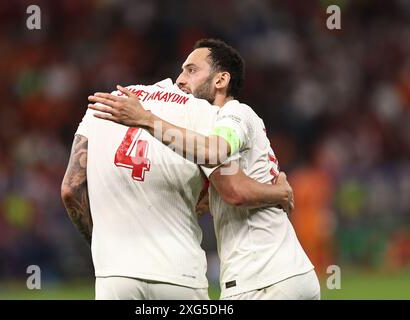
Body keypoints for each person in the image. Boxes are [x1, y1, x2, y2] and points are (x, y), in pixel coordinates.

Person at [88, 38, 320, 300]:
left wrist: (145, 119)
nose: (180, 80)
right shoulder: (212, 124)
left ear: (221, 80)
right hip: (284, 273)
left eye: (191, 70)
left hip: (263, 279)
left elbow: (218, 159)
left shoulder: (234, 114)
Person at [62, 76, 294, 299]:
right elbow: (232, 189)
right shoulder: (202, 112)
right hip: (180, 274)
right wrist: (279, 192)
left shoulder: (102, 105)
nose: (184, 77)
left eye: (191, 70)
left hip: (115, 274)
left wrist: (102, 240)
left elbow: (70, 191)